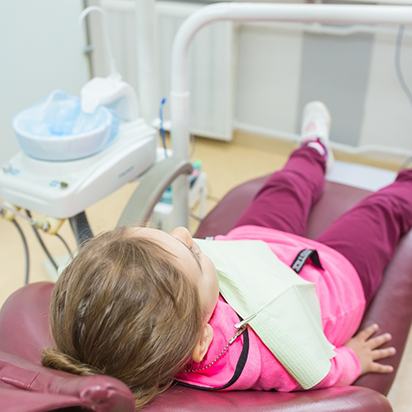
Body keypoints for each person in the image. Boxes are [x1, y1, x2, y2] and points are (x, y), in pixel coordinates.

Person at [42, 101, 408, 410]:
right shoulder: (267, 356)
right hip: (324, 282)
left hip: (252, 246)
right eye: (193, 254)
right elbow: (316, 368)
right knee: (380, 212)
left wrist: (196, 261)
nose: (186, 233)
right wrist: (354, 359)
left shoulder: (169, 317)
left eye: (166, 236)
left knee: (285, 185)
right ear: (202, 340)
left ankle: (313, 150)